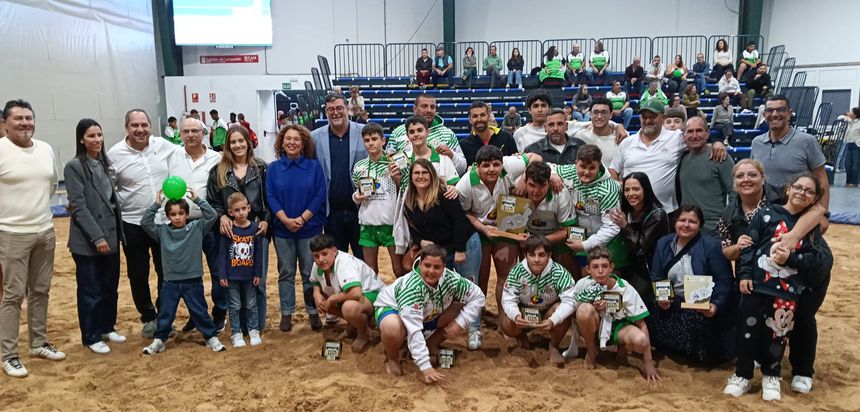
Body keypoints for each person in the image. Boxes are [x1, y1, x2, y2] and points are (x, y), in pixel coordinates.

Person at [724, 173, 829, 401]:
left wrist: (789, 260)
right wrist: (744, 274)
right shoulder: (766, 214)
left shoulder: (810, 227)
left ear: (813, 199)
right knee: (747, 330)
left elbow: (813, 259)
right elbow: (749, 247)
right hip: (757, 286)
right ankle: (742, 374)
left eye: (809, 191)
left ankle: (771, 374)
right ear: (788, 189)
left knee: (778, 333)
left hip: (787, 291)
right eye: (798, 187)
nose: (802, 192)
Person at [0, 100, 65, 377]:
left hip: (44, 231)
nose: (25, 123)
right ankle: (8, 354)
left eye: (29, 118)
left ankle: (38, 343)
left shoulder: (46, 149)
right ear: (5, 123)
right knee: (13, 296)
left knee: (41, 291)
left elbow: (51, 185)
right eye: (18, 118)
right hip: (10, 234)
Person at [108, 108, 182, 338]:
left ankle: (164, 315)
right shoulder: (114, 154)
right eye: (134, 125)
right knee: (138, 274)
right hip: (132, 223)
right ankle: (148, 317)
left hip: (162, 221)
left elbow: (188, 151)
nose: (140, 130)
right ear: (126, 128)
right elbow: (109, 190)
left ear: (151, 126)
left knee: (166, 272)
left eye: (144, 125)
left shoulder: (164, 146)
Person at [374, 244, 485, 382]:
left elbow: (478, 296)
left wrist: (460, 323)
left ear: (444, 267)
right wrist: (425, 366)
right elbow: (414, 329)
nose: (431, 271)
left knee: (459, 306)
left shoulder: (451, 279)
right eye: (427, 266)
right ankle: (392, 358)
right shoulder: (412, 287)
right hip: (392, 309)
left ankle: (431, 343)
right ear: (420, 264)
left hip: (428, 312)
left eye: (437, 267)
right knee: (393, 328)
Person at [65, 119, 125, 355]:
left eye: (99, 135)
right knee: (91, 289)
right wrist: (97, 237)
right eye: (91, 136)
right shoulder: (74, 167)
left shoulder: (105, 164)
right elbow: (78, 206)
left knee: (110, 286)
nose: (97, 140)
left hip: (112, 235)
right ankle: (90, 335)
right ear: (81, 139)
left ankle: (107, 326)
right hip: (88, 241)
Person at [141, 190, 226, 354]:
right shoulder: (162, 231)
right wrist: (157, 204)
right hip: (170, 282)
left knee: (200, 311)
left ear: (187, 214)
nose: (177, 217)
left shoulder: (197, 227)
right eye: (173, 214)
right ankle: (160, 340)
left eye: (181, 213)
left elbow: (212, 216)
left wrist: (198, 200)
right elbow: (145, 223)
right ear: (167, 216)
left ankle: (211, 337)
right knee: (165, 313)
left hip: (192, 281)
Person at [649, 204, 736, 364]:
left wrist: (715, 306)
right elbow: (657, 275)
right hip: (673, 300)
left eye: (692, 221)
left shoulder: (712, 246)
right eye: (682, 220)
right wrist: (663, 298)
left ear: (700, 225)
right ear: (675, 222)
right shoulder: (663, 243)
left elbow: (724, 281)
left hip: (702, 304)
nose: (686, 225)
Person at [456, 146, 540, 311]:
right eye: (486, 165)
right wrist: (483, 229)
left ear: (502, 164)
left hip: (507, 227)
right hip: (479, 230)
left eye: (496, 164)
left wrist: (525, 176)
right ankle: (478, 316)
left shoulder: (509, 165)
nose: (492, 169)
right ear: (477, 166)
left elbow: (534, 156)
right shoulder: (464, 184)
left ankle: (504, 316)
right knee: (481, 278)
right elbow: (463, 213)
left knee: (506, 276)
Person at [611, 99, 727, 217]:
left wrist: (717, 143)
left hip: (666, 212)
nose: (648, 120)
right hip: (633, 212)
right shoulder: (627, 143)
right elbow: (614, 169)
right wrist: (618, 186)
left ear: (663, 118)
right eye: (644, 117)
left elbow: (696, 139)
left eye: (653, 116)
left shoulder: (676, 138)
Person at [207, 124, 269, 333]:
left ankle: (256, 325)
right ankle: (237, 326)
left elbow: (269, 200)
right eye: (233, 142)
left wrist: (266, 220)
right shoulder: (218, 171)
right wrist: (222, 215)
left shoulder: (261, 168)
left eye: (241, 141)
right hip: (230, 233)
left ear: (248, 143)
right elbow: (213, 202)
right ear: (227, 145)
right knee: (233, 280)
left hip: (256, 232)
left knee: (257, 279)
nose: (237, 145)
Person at [267, 125, 327, 332]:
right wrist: (285, 219)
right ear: (282, 142)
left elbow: (319, 194)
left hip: (309, 228)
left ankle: (312, 311)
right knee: (286, 272)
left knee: (309, 273)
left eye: (297, 139)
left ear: (303, 144)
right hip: (283, 230)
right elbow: (271, 196)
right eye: (288, 139)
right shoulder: (273, 168)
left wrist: (302, 219)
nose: (292, 142)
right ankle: (286, 312)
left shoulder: (314, 166)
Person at [170, 117, 227, 333]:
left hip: (210, 224)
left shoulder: (216, 158)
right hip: (182, 226)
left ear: (203, 133)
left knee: (216, 271)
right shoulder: (172, 156)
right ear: (181, 134)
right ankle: (197, 315)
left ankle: (220, 314)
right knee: (190, 274)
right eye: (186, 131)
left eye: (195, 130)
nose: (191, 135)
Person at [572, 246, 659, 381]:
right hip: (594, 327)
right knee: (584, 311)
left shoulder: (625, 288)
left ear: (611, 267)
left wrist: (648, 362)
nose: (600, 271)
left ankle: (622, 349)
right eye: (595, 267)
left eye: (604, 266)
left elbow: (641, 323)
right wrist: (592, 306)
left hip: (618, 329)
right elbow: (573, 313)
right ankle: (591, 351)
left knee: (641, 340)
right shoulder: (582, 285)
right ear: (588, 269)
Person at [751, 96, 831, 226]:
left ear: (789, 113)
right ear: (764, 114)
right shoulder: (756, 143)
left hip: (800, 215)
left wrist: (824, 214)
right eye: (770, 110)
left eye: (780, 110)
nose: (775, 114)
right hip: (766, 216)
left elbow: (821, 180)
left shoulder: (807, 141)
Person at [500, 234, 575, 366]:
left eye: (541, 255)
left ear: (549, 255)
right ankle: (521, 337)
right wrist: (516, 316)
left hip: (548, 312)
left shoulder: (560, 273)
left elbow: (571, 301)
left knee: (562, 311)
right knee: (506, 322)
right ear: (526, 255)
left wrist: (554, 319)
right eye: (532, 255)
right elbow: (507, 299)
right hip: (524, 312)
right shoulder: (516, 272)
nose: (536, 260)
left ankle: (553, 346)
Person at [311, 94, 368, 260]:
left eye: (339, 108)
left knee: (363, 262)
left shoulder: (364, 132)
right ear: (326, 111)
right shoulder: (314, 137)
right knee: (335, 263)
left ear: (347, 109)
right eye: (330, 109)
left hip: (360, 211)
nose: (335, 113)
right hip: (331, 213)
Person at [555, 145, 627, 274]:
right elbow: (549, 167)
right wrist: (553, 175)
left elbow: (612, 227)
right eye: (582, 167)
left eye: (592, 168)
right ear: (576, 163)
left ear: (599, 165)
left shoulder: (609, 188)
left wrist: (585, 245)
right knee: (584, 275)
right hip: (581, 236)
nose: (586, 172)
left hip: (608, 241)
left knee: (605, 280)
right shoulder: (569, 172)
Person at [310, 233, 385, 353]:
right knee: (317, 299)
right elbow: (315, 282)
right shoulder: (318, 264)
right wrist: (316, 294)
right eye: (316, 256)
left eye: (324, 254)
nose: (321, 259)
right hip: (355, 296)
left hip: (373, 294)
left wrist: (332, 299)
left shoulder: (344, 263)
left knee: (349, 308)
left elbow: (356, 293)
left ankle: (363, 333)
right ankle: (353, 324)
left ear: (334, 251)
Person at [609, 173, 670, 299]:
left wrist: (625, 225)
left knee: (638, 302)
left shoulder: (657, 214)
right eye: (627, 190)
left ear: (645, 189)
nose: (631, 194)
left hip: (650, 270)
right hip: (628, 264)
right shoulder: (624, 210)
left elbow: (641, 246)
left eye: (636, 189)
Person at [352, 123, 403, 276]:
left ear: (383, 140)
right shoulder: (359, 167)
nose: (371, 143)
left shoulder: (396, 162)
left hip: (392, 223)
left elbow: (407, 190)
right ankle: (374, 300)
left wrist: (398, 178)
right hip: (368, 223)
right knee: (371, 271)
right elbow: (357, 193)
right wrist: (357, 197)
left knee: (399, 269)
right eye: (367, 140)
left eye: (374, 139)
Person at [217, 193, 264, 348]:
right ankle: (236, 333)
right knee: (235, 305)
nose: (241, 212)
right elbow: (222, 254)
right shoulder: (228, 230)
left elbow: (259, 253)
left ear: (249, 208)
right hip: (232, 276)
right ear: (230, 212)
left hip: (250, 275)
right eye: (237, 210)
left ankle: (253, 330)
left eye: (244, 208)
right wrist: (223, 274)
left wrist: (258, 273)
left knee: (251, 304)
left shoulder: (255, 228)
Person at [677, 116, 734, 233]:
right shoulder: (682, 158)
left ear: (707, 133)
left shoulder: (720, 156)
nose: (694, 135)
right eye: (690, 131)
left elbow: (735, 192)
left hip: (714, 229)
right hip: (687, 228)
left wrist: (729, 222)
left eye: (699, 130)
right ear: (684, 136)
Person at [386, 93, 466, 175]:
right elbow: (386, 165)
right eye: (424, 106)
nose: (429, 110)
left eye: (432, 107)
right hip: (406, 185)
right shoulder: (397, 133)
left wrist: (451, 155)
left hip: (438, 185)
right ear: (415, 108)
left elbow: (462, 169)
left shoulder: (448, 134)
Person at [402, 115, 460, 186]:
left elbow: (454, 186)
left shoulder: (443, 158)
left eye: (420, 130)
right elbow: (402, 188)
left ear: (427, 132)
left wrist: (452, 189)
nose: (416, 134)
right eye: (412, 132)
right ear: (407, 136)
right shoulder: (403, 159)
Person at [572, 97, 621, 166]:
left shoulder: (620, 137)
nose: (599, 116)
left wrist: (619, 126)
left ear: (610, 115)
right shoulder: (580, 136)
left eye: (604, 112)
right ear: (590, 114)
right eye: (595, 112)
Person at [839, 107, 860, 187]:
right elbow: (840, 117)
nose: (850, 113)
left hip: (857, 145)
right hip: (849, 144)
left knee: (856, 165)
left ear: (855, 114)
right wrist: (847, 115)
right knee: (847, 164)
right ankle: (848, 181)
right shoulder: (850, 121)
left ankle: (854, 182)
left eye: (851, 112)